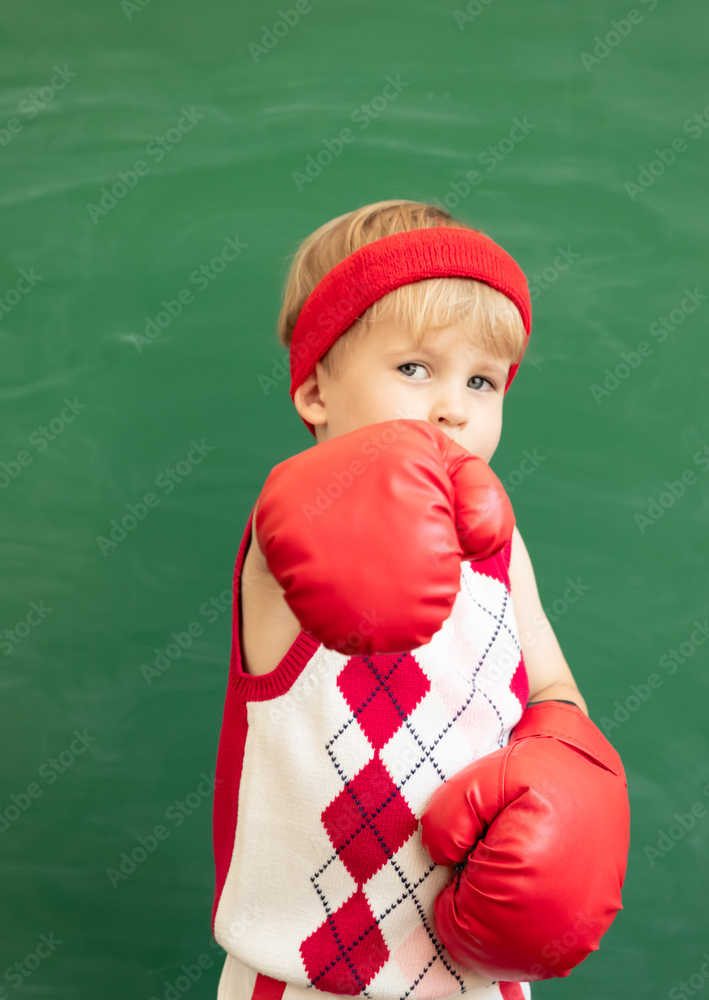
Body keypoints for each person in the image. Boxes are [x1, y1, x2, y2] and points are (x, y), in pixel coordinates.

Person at [210, 199, 630, 1000]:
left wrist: (567, 769)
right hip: (308, 984)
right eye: (414, 369)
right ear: (315, 391)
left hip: (476, 979)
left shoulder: (503, 548)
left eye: (482, 380)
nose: (452, 407)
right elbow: (293, 522)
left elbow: (550, 688)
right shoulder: (286, 530)